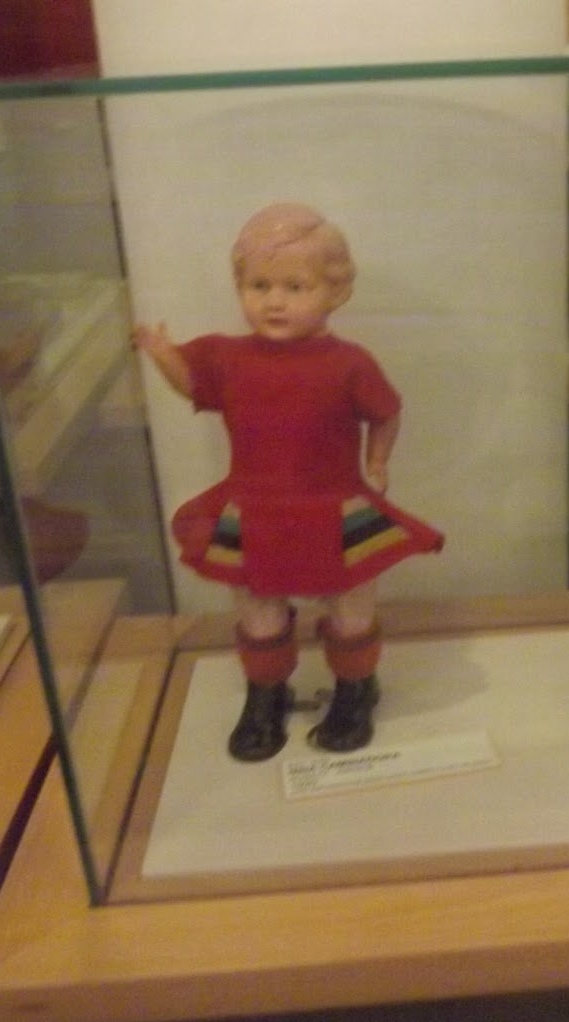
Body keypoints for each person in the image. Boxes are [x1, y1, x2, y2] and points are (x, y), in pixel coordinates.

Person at [135, 203, 443, 761]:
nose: (274, 301)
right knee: (258, 607)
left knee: (350, 606)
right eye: (259, 286)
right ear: (240, 287)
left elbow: (386, 411)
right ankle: (265, 695)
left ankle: (354, 690)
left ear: (334, 291)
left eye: (295, 287)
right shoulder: (228, 357)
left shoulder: (350, 363)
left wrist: (378, 461)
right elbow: (194, 383)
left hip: (335, 504)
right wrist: (162, 356)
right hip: (255, 508)